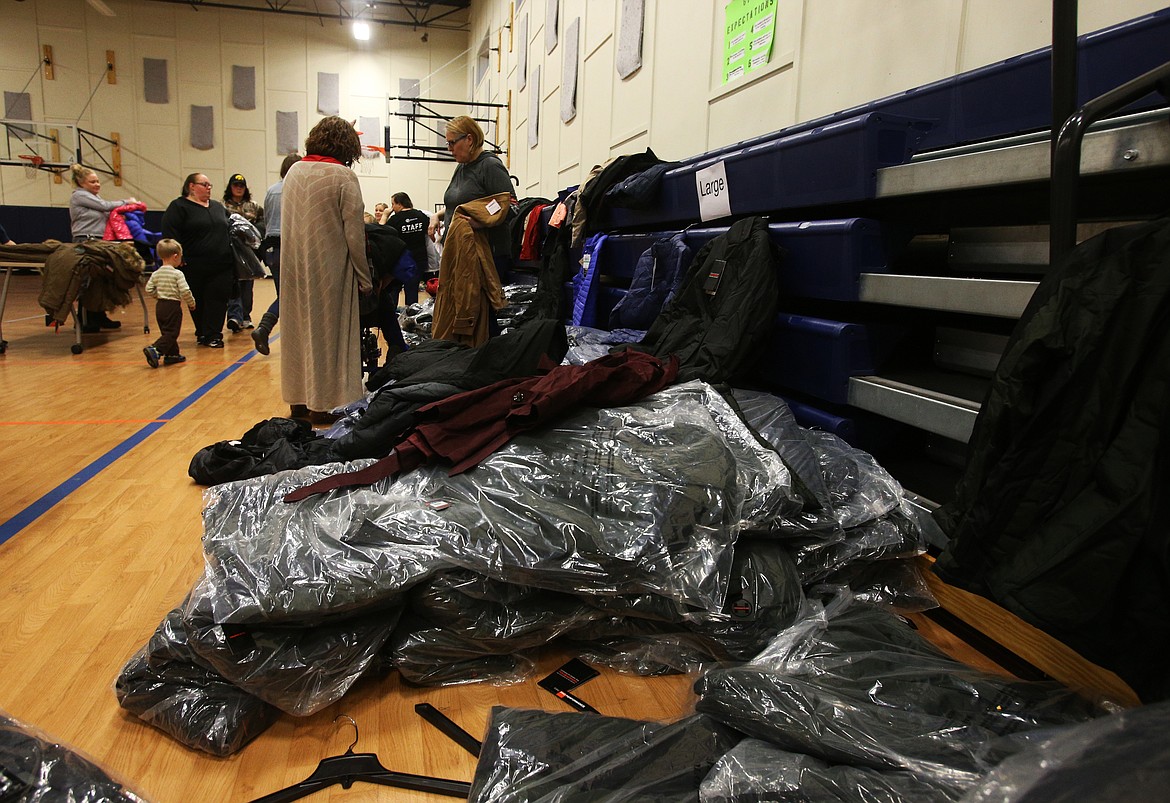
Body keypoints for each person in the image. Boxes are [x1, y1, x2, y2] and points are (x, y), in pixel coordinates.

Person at [280, 115, 373, 424]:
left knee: (297, 333)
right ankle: (324, 404)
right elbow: (354, 234)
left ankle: (298, 401)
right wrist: (364, 276)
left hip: (293, 267)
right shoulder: (343, 177)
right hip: (330, 267)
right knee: (329, 337)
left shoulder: (293, 171)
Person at [434, 116, 513, 345]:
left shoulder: (489, 166)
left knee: (481, 316)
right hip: (461, 254)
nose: (449, 149)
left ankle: (487, 366)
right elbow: (458, 202)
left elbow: (510, 205)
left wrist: (482, 222)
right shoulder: (462, 167)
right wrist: (437, 216)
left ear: (469, 139)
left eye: (452, 143)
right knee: (462, 308)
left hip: (486, 253)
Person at [161, 173, 234, 348]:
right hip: (193, 264)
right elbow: (170, 234)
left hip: (221, 264)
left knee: (218, 298)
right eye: (204, 184)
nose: (209, 188)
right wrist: (177, 257)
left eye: (210, 185)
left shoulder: (217, 206)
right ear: (191, 186)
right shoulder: (179, 207)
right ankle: (202, 332)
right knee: (198, 300)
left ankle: (214, 334)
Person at [68, 164, 137, 330]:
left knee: (101, 280)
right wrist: (127, 202)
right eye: (92, 182)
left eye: (98, 181)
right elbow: (106, 207)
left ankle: (99, 315)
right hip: (86, 240)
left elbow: (107, 212)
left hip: (100, 241)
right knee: (88, 280)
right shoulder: (79, 196)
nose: (97, 184)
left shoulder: (94, 198)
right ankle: (84, 319)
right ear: (81, 183)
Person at [251, 153, 300, 356]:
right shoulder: (295, 189)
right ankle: (265, 327)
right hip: (288, 245)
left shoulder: (271, 190)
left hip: (271, 248)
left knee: (285, 294)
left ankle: (273, 331)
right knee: (292, 295)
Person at [142, 238, 196, 368]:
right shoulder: (177, 274)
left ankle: (172, 355)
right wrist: (191, 303)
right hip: (172, 305)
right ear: (175, 256)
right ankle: (155, 349)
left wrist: (159, 296)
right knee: (172, 333)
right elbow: (185, 290)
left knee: (166, 331)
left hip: (160, 306)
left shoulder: (156, 273)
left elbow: (148, 289)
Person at [222, 173, 265, 332]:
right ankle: (234, 316)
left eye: (241, 186)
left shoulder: (254, 206)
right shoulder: (223, 206)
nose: (238, 188)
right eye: (235, 185)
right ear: (230, 187)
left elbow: (263, 223)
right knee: (234, 283)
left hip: (249, 251)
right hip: (231, 250)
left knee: (247, 284)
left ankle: (246, 316)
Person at [384, 191, 429, 305]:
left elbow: (382, 234)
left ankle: (392, 317)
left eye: (393, 204)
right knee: (412, 290)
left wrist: (385, 215)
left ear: (399, 204)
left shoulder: (395, 219)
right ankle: (411, 317)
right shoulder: (421, 215)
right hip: (419, 259)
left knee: (394, 289)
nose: (392, 208)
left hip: (401, 260)